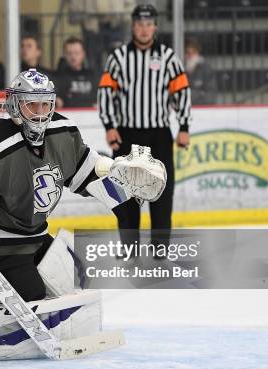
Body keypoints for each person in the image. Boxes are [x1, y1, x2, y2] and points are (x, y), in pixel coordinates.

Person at [0, 68, 165, 361]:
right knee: (36, 303)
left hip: (33, 238)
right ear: (14, 104)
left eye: (45, 104)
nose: (39, 112)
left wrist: (118, 176)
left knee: (73, 279)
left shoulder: (62, 132)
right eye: (31, 104)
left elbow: (87, 173)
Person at [97, 4, 192, 256]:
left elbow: (181, 91)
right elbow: (106, 92)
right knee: (126, 194)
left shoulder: (169, 57)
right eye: (139, 24)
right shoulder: (118, 57)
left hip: (159, 135)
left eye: (148, 24)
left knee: (161, 193)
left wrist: (183, 125)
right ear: (133, 26)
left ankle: (160, 248)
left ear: (155, 27)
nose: (144, 29)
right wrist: (109, 126)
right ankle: (130, 248)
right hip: (127, 134)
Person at [54, 37, 98, 108]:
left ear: (83, 54)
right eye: (69, 53)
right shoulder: (59, 77)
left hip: (91, 116)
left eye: (76, 53)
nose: (73, 57)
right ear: (65, 55)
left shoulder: (93, 76)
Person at [185, 37, 217, 105]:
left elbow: (210, 97)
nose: (190, 56)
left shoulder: (206, 70)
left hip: (201, 111)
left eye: (193, 52)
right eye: (188, 53)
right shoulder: (179, 70)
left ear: (198, 53)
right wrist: (199, 94)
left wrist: (190, 96)